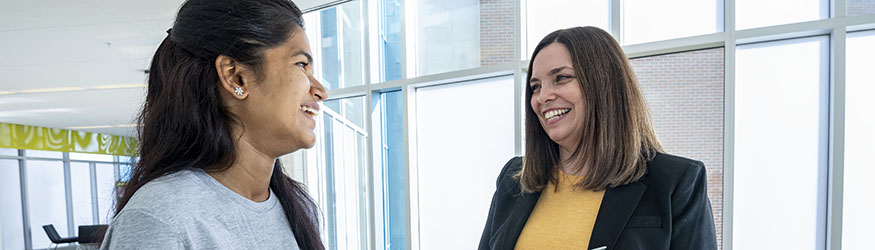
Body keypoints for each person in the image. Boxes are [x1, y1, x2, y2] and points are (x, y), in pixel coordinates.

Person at [99, 0, 327, 249]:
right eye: (302, 65)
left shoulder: (298, 207)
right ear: (235, 76)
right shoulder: (161, 218)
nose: (321, 91)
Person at [478, 26, 717, 250]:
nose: (542, 97)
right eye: (535, 87)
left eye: (561, 78)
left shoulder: (675, 182)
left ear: (604, 85)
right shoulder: (514, 179)